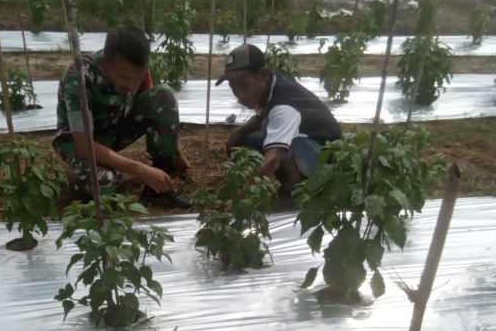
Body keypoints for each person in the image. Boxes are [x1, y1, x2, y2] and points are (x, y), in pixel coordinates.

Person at [53, 25, 191, 209]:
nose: (132, 84)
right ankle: (90, 184)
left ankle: (160, 188)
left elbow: (154, 104)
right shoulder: (78, 77)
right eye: (125, 78)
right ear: (105, 61)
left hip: (114, 129)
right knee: (100, 182)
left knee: (165, 95)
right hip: (79, 142)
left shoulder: (136, 69)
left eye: (138, 77)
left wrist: (175, 151)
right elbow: (85, 146)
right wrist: (141, 170)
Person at [217, 44, 342, 193]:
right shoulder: (272, 81)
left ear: (262, 74)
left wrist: (242, 194)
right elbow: (260, 117)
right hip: (310, 143)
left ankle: (293, 190)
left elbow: (272, 158)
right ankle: (296, 180)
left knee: (270, 131)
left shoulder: (283, 105)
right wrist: (239, 131)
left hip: (324, 160)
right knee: (249, 138)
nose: (239, 94)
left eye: (243, 85)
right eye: (233, 87)